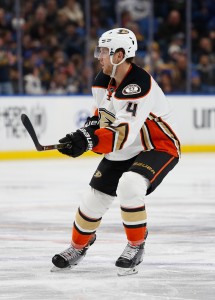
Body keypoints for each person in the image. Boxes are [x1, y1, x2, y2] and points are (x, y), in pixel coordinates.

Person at [51, 28, 181, 276]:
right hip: (126, 147)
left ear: (119, 55)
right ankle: (78, 246)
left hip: (158, 146)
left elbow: (122, 133)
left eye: (103, 51)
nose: (99, 56)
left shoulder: (139, 85)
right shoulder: (102, 79)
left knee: (131, 185)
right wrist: (82, 135)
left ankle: (136, 245)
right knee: (93, 199)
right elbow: (102, 116)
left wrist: (88, 141)